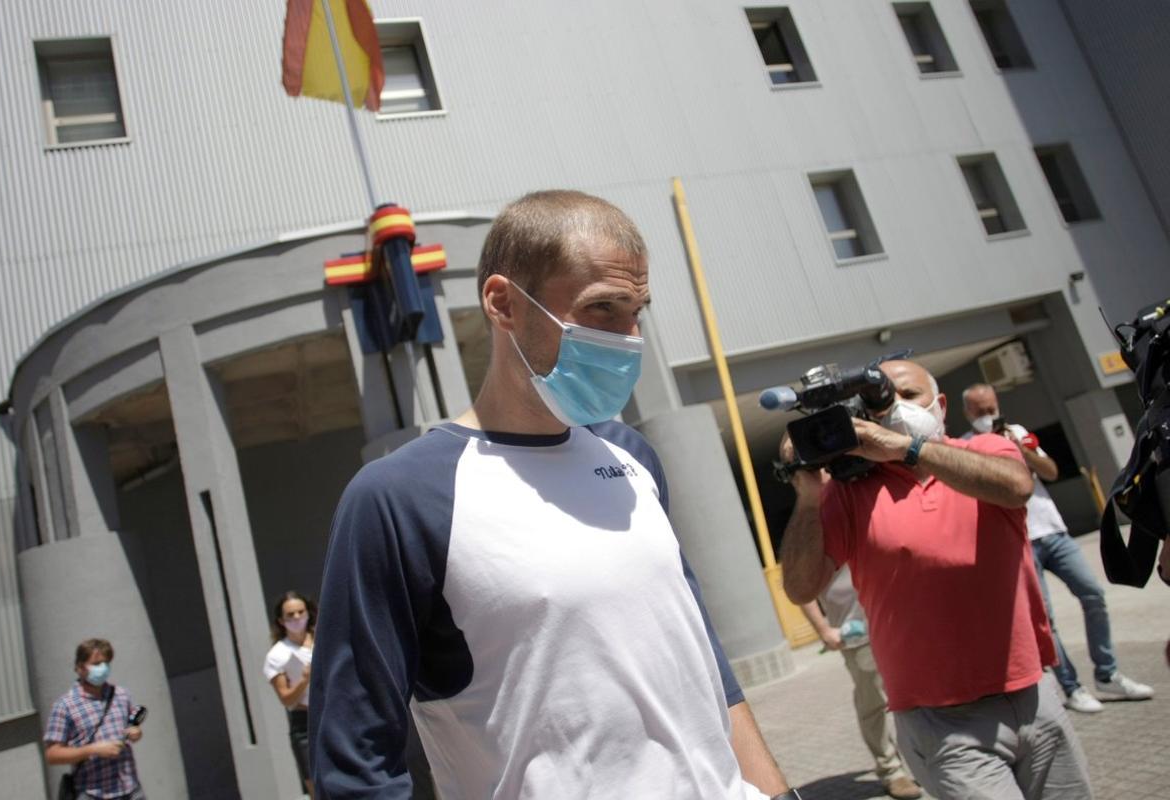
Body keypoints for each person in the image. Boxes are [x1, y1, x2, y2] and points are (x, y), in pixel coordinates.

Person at [310, 190, 796, 799]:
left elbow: (702, 658)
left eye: (636, 310)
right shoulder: (400, 498)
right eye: (603, 309)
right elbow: (356, 763)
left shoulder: (632, 457)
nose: (627, 338)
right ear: (503, 303)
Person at [780, 359, 1092, 800]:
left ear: (940, 404)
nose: (898, 410)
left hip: (1033, 696)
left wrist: (907, 449)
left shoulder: (986, 447)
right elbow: (799, 587)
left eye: (909, 396)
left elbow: (1016, 487)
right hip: (941, 723)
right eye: (886, 403)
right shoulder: (848, 496)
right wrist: (809, 500)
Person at [961, 383, 1153, 713]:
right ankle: (1071, 687)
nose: (987, 416)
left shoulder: (1017, 432)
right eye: (980, 412)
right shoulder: (966, 447)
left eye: (991, 409)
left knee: (1093, 593)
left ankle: (1107, 673)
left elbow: (1050, 471)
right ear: (967, 413)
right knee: (1046, 619)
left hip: (1053, 532)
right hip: (1019, 543)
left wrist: (1020, 450)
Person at [799, 565, 921, 800]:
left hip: (896, 620)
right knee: (874, 702)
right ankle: (892, 770)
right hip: (856, 633)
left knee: (916, 695)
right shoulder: (814, 530)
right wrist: (823, 629)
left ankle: (925, 758)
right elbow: (799, 584)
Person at [44, 638, 145, 800]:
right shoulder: (65, 706)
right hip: (94, 794)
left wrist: (136, 733)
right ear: (80, 668)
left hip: (131, 790)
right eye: (96, 664)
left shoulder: (121, 694)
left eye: (106, 663)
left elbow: (132, 728)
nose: (103, 668)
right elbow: (53, 755)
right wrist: (93, 750)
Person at [264, 590, 317, 798]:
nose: (296, 618)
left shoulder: (323, 640)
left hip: (334, 715)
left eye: (300, 612)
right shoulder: (277, 655)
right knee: (315, 785)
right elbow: (286, 699)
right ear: (281, 620)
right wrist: (304, 680)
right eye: (290, 615)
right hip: (304, 722)